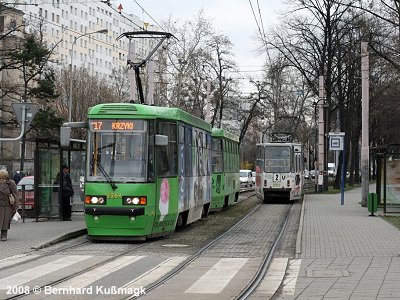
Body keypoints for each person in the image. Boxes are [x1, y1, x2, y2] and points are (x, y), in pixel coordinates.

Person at [0, 169, 19, 241]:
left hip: (7, 206)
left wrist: (16, 205)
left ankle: (4, 235)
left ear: (6, 177)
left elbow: (15, 194)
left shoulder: (11, 183)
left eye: (3, 178)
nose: (2, 180)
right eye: (0, 178)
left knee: (5, 221)